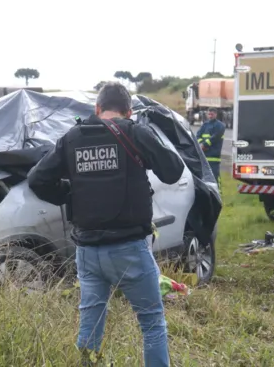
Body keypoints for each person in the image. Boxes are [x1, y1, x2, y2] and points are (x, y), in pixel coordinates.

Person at [27, 82, 185, 366]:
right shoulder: (135, 132)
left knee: (91, 325)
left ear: (97, 109)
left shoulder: (71, 138)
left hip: (88, 252)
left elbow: (37, 180)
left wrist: (69, 193)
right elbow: (173, 171)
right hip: (130, 250)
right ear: (128, 112)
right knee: (151, 323)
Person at [195, 107, 225, 185]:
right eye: (209, 114)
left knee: (215, 178)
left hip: (214, 157)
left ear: (216, 114)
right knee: (204, 179)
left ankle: (218, 195)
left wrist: (204, 145)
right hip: (204, 157)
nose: (210, 116)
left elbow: (215, 137)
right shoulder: (205, 125)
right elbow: (198, 136)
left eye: (212, 114)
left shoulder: (220, 126)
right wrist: (201, 144)